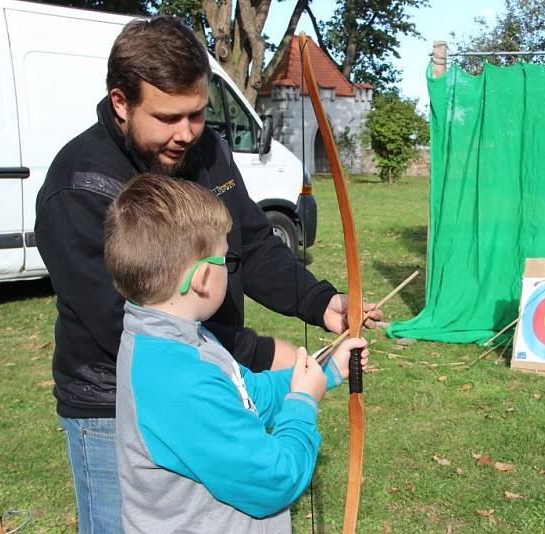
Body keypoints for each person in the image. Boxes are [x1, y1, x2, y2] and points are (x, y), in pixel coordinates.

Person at [34, 15, 380, 533]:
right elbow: (128, 319)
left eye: (197, 114)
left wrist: (319, 302)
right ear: (121, 102)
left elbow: (254, 242)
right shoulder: (81, 186)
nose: (186, 134)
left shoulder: (204, 149)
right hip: (112, 404)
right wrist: (260, 354)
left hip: (213, 371)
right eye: (169, 117)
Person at [105, 173, 367, 533]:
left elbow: (247, 395)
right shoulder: (179, 379)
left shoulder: (184, 343)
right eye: (226, 261)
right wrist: (302, 405)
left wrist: (328, 372)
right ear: (200, 279)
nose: (230, 269)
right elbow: (274, 479)